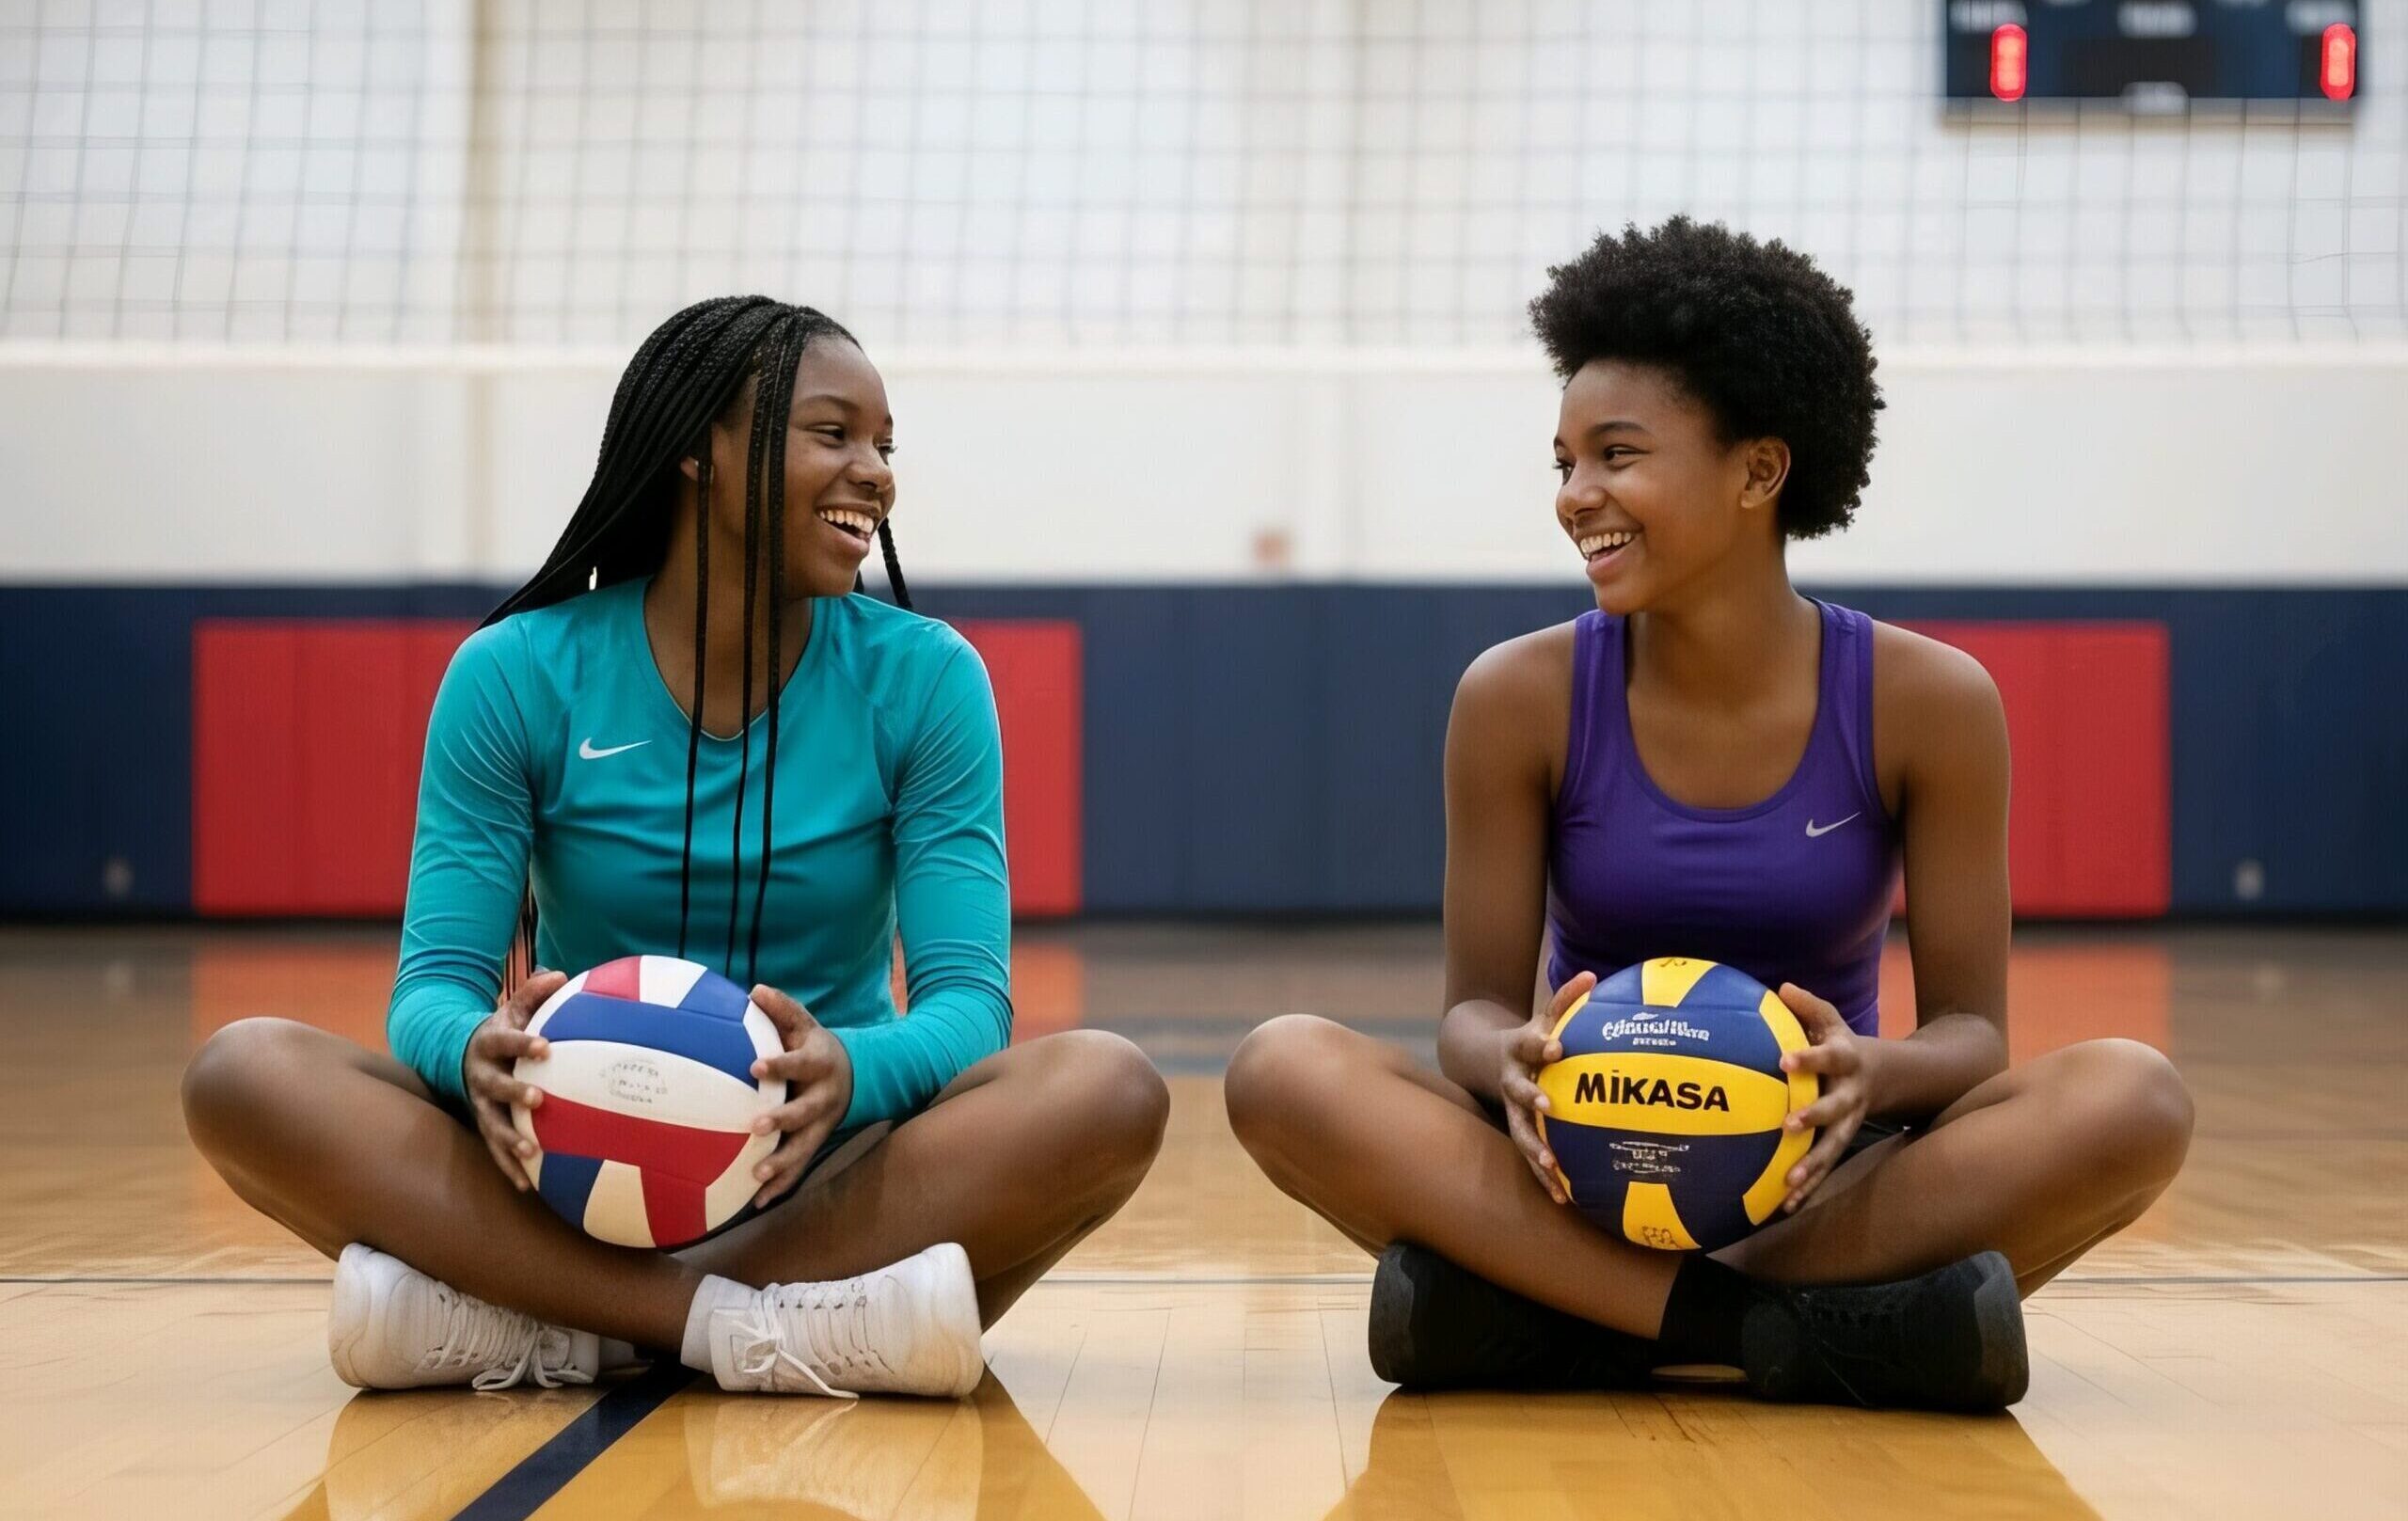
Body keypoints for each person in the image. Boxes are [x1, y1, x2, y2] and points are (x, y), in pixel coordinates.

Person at [1222, 220, 2194, 1409]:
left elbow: (1973, 1044)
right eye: (1563, 462)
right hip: (1572, 1171)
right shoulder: (1516, 696)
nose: (1578, 497)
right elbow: (1469, 1015)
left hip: (1821, 1181)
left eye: (1617, 456)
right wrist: (1516, 1061)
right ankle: (1784, 1338)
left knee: (2134, 1098)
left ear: (1758, 472)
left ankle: (1565, 1322)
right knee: (1282, 1069)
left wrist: (1866, 1075)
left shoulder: (1928, 701)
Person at [183, 296, 1169, 1399]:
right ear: (704, 449)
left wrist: (846, 1075)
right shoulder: (517, 673)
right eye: (833, 433)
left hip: (820, 1158)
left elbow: (968, 1006)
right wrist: (475, 1052)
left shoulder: (926, 678)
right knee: (245, 1073)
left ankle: (559, 1324)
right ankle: (758, 1333)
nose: (876, 473)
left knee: (1111, 1090)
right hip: (556, 1166)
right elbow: (432, 989)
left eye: (884, 446)